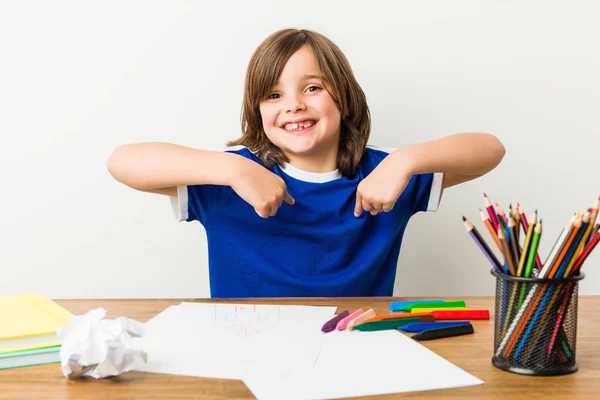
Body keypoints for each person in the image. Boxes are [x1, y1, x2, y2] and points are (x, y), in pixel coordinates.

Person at [107, 28, 505, 298]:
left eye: (312, 88)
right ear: (257, 110)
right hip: (245, 358)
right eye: (273, 95)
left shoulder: (388, 176)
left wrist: (407, 159)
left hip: (355, 354)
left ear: (344, 98)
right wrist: (232, 169)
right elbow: (122, 162)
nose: (294, 104)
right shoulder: (228, 180)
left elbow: (491, 149)